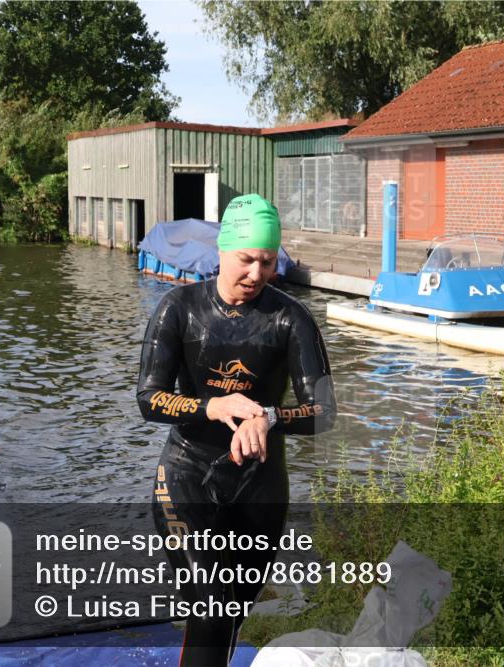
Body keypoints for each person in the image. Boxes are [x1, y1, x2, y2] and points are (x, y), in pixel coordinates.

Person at [137, 193, 336, 666]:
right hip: (187, 472)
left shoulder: (291, 318)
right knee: (210, 597)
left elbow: (324, 411)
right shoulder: (177, 308)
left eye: (267, 262)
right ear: (222, 250)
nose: (256, 274)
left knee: (232, 610)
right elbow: (149, 398)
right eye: (246, 259)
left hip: (259, 486)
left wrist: (269, 416)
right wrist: (211, 406)